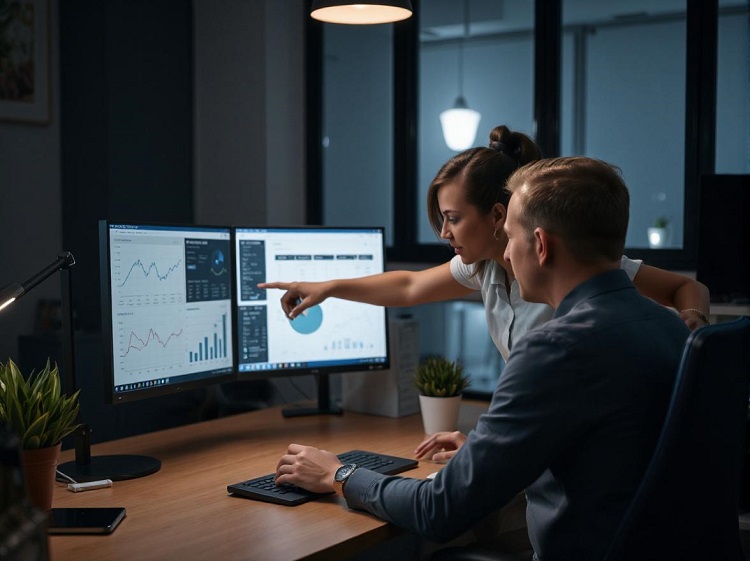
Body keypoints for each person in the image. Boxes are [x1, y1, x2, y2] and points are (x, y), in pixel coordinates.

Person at [273, 156, 692, 560]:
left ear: (541, 244)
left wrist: (339, 474)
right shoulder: (669, 328)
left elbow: (437, 510)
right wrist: (493, 446)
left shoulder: (552, 348)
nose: (506, 254)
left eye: (511, 237)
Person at [259, 125, 708, 369]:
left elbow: (688, 289)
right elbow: (409, 287)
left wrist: (694, 325)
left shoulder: (579, 273)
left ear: (498, 216)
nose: (444, 233)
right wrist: (329, 286)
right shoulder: (486, 270)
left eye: (453, 219)